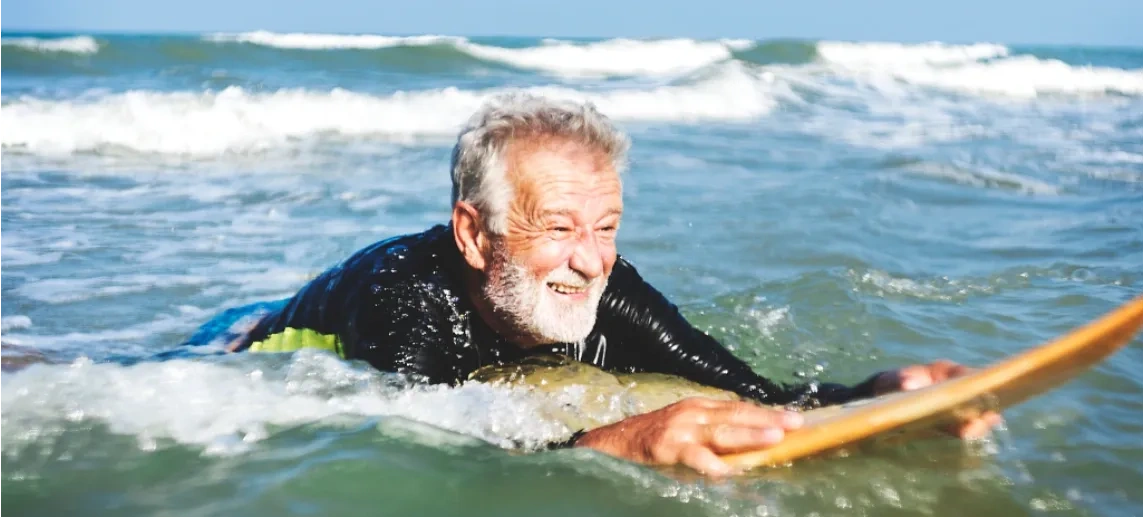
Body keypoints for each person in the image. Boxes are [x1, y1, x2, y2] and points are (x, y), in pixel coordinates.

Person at [186, 93, 1000, 476]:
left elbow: (747, 388)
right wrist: (619, 440)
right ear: (475, 234)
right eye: (560, 228)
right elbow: (435, 446)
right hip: (255, 340)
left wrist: (876, 396)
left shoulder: (608, 288)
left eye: (605, 227)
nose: (590, 260)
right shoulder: (404, 298)